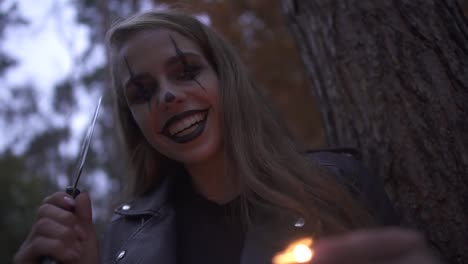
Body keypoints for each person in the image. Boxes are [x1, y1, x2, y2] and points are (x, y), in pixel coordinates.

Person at [14, 9, 441, 264]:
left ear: (225, 79)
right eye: (141, 93)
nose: (166, 95)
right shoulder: (125, 239)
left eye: (186, 72)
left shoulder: (338, 185)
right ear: (136, 124)